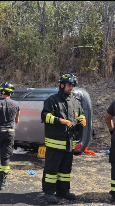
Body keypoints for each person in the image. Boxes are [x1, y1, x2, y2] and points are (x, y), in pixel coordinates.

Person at [41, 73, 86, 204]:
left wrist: (82, 120)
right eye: (69, 85)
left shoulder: (75, 101)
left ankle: (63, 191)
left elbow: (80, 114)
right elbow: (45, 116)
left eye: (73, 85)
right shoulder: (52, 100)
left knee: (65, 170)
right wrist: (61, 121)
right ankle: (49, 192)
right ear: (62, 85)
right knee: (51, 170)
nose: (71, 87)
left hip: (69, 143)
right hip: (55, 142)